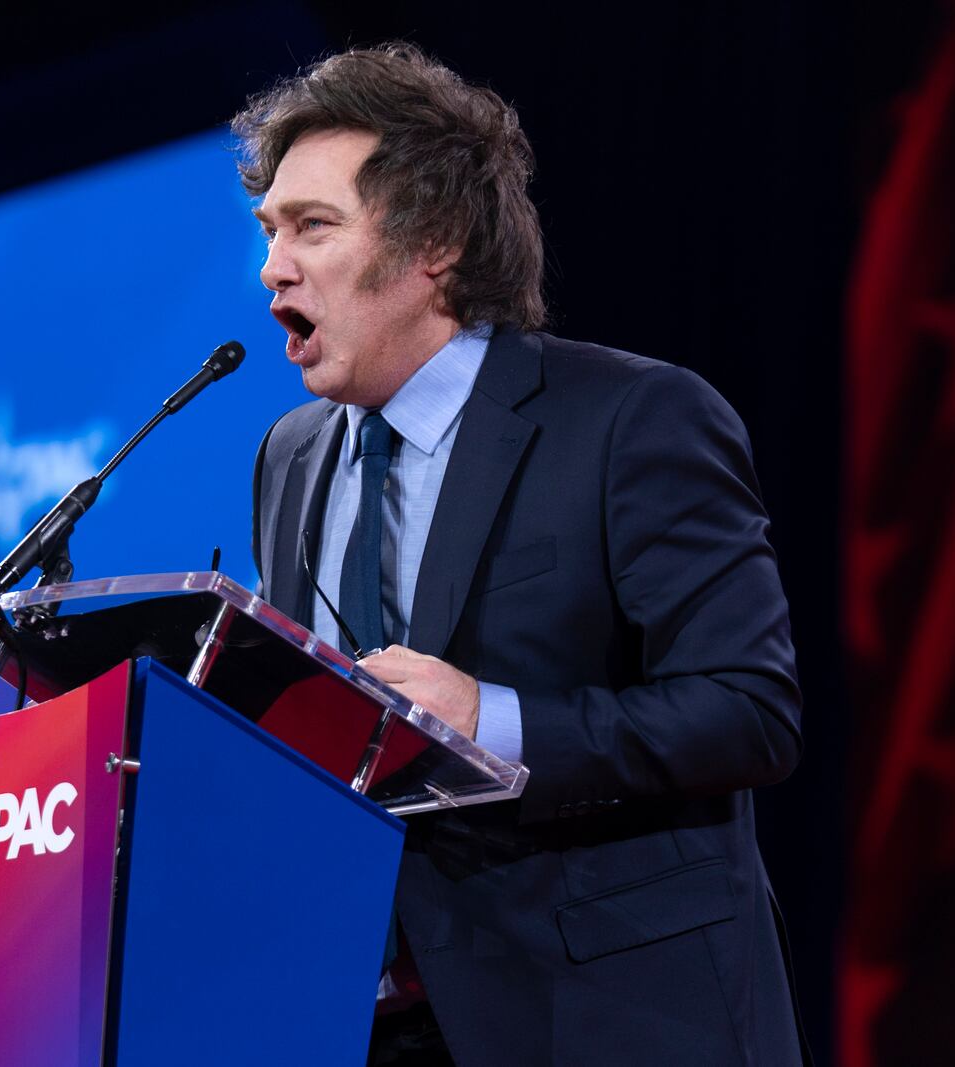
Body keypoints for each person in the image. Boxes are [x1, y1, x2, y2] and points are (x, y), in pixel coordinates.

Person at [236, 44, 808, 1065]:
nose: (272, 267)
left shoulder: (631, 418)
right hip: (362, 1022)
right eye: (269, 230)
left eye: (312, 227)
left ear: (436, 242)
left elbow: (749, 710)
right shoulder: (290, 457)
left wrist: (487, 719)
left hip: (608, 1019)